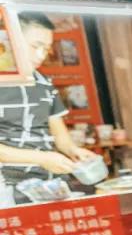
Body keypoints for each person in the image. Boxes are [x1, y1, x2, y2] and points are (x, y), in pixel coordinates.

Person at [0, 12, 96, 204]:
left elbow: (61, 138)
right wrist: (42, 158)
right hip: (7, 186)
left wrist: (74, 151)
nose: (41, 55)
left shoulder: (44, 83)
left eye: (46, 48)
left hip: (47, 183)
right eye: (36, 46)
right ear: (10, 40)